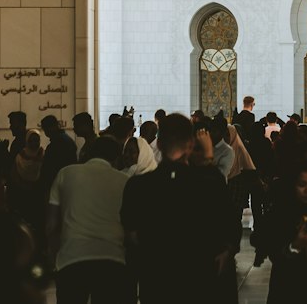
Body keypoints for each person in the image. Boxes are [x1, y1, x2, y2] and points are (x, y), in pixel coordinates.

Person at [121, 112, 234, 303]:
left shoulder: (137, 187)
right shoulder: (207, 184)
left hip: (157, 280)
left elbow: (131, 236)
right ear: (190, 144)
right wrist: (208, 159)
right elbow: (227, 226)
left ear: (160, 144)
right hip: (199, 279)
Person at [47, 135, 130, 304]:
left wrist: (53, 257)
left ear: (90, 152)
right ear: (116, 157)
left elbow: (51, 225)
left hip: (71, 259)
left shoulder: (65, 173)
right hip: (112, 260)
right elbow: (130, 226)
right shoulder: (125, 181)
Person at [263, 163, 307, 303]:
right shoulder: (282, 212)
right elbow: (274, 253)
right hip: (286, 287)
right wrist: (295, 246)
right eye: (302, 184)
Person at [40, 115, 78, 198]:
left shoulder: (58, 143)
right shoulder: (65, 140)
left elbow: (51, 167)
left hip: (59, 184)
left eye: (46, 128)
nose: (46, 132)